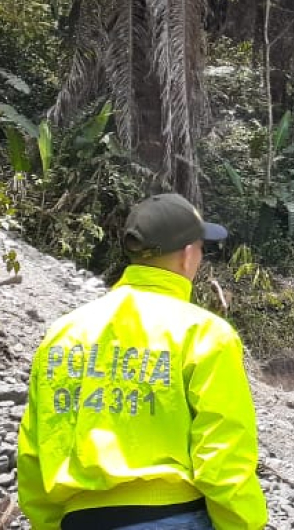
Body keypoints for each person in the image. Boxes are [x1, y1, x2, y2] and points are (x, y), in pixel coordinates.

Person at [17, 193, 268, 530]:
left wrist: (49, 523)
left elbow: (33, 453)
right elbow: (223, 456)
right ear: (188, 255)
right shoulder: (204, 333)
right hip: (173, 517)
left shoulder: (62, 335)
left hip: (77, 520)